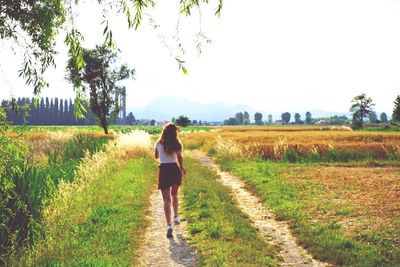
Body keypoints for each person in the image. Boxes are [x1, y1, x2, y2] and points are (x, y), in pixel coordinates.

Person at [154, 123, 186, 238]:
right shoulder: (176, 143)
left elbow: (156, 157)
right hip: (174, 169)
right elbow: (179, 156)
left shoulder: (158, 143)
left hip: (164, 170)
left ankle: (169, 226)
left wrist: (160, 152)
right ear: (174, 132)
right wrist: (182, 167)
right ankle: (176, 216)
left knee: (166, 200)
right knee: (174, 194)